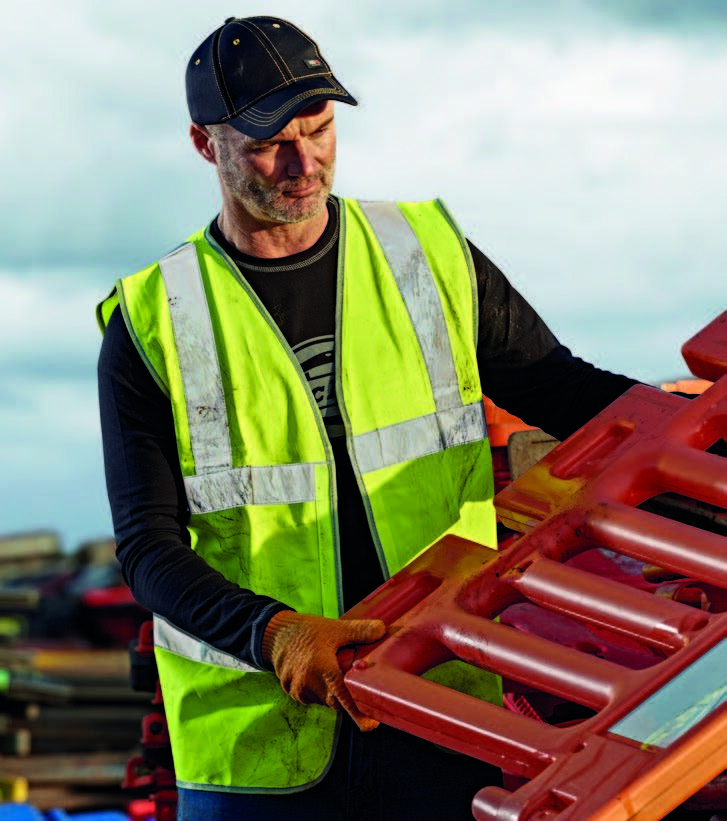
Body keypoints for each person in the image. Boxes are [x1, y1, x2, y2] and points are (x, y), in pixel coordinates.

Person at [96, 15, 639, 821]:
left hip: (443, 702)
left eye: (319, 130)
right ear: (205, 145)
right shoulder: (153, 319)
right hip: (259, 743)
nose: (302, 161)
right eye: (270, 142)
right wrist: (271, 632)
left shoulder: (429, 254)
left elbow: (564, 388)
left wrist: (698, 429)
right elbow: (147, 545)